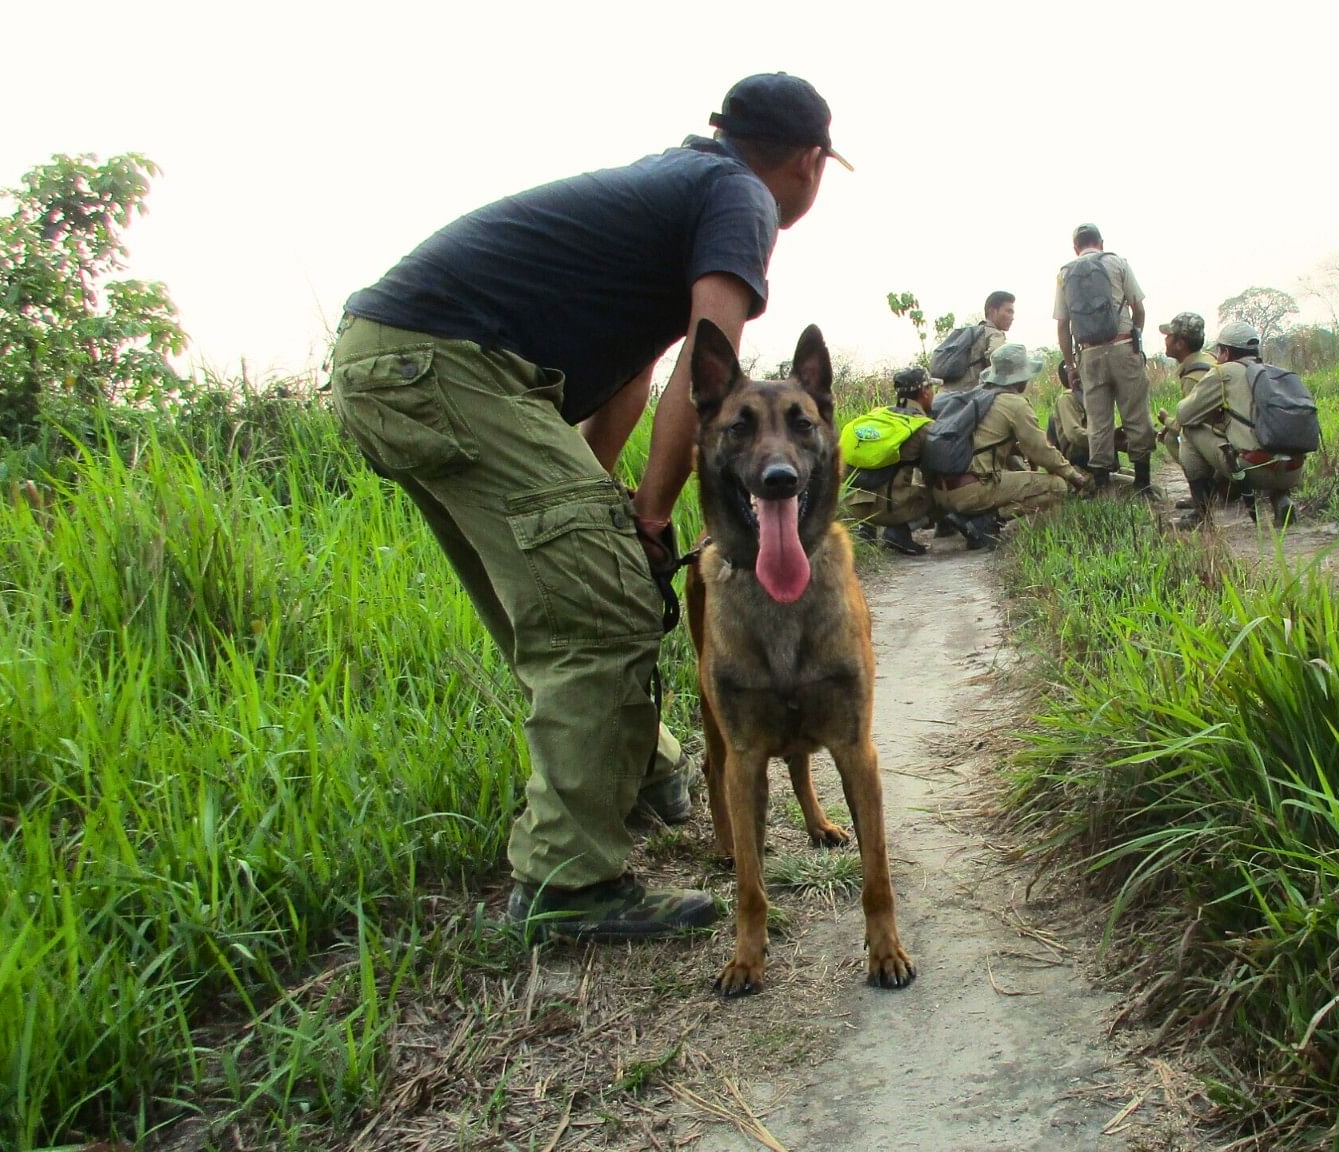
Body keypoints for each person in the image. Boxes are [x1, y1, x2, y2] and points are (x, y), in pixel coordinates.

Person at [327, 73, 847, 941]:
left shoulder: (678, 184)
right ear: (810, 159)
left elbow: (637, 371)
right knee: (601, 607)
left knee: (580, 582)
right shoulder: (739, 196)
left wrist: (615, 508)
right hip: (446, 365)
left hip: (398, 364)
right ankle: (567, 889)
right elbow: (706, 374)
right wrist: (650, 511)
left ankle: (642, 772)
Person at [931, 342, 1089, 548]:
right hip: (970, 491)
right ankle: (984, 522)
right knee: (1056, 486)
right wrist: (1072, 475)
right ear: (1020, 377)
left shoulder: (976, 396)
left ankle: (957, 516)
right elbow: (1041, 450)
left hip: (939, 492)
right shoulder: (1014, 404)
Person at [1165, 320, 1303, 528]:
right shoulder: (1276, 373)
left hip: (1253, 469)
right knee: (1269, 439)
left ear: (1226, 353)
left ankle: (1201, 515)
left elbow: (1185, 414)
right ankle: (1281, 498)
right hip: (1293, 471)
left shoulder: (1224, 372)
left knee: (1190, 430)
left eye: (1219, 352)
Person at [1053, 223, 1153, 496]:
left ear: (1075, 248)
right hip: (1123, 346)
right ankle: (1143, 484)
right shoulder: (1117, 263)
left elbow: (1062, 325)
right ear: (1101, 242)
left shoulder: (1065, 273)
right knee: (1136, 414)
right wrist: (1136, 339)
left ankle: (1103, 486)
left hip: (1089, 354)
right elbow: (1139, 308)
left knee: (1098, 421)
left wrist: (1071, 365)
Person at [841, 366, 937, 554]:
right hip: (889, 511)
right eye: (931, 389)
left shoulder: (876, 415)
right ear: (925, 392)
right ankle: (899, 530)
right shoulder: (923, 428)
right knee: (945, 494)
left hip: (852, 506)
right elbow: (935, 473)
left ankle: (865, 529)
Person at [1152, 312, 1218, 517]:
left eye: (1169, 336)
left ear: (1180, 344)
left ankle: (1202, 505)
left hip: (1218, 438)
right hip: (1227, 433)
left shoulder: (1192, 375)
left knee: (1177, 438)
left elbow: (1191, 424)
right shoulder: (1208, 359)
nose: (1166, 339)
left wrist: (1166, 420)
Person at [936, 291, 1016, 391]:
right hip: (969, 399)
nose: (1012, 317)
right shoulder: (995, 335)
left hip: (943, 397)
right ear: (993, 311)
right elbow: (1002, 367)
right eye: (1008, 311)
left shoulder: (972, 334)